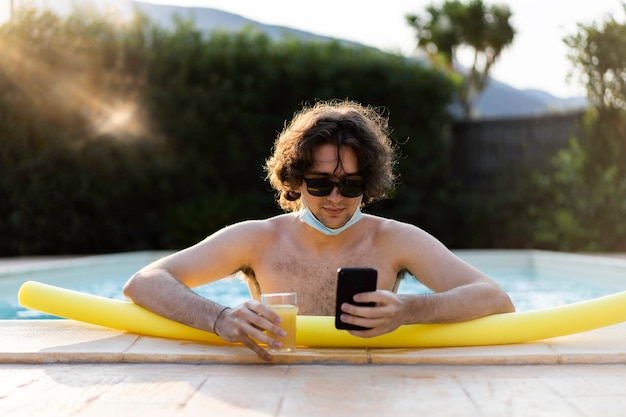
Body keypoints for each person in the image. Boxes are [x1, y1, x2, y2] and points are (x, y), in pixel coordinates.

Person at [123, 99, 515, 361]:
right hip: (277, 383)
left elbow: (495, 298)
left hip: (367, 385)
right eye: (320, 183)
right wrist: (220, 317)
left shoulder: (396, 240)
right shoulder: (257, 239)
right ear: (295, 180)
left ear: (369, 184)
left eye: (351, 185)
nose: (335, 197)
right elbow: (145, 281)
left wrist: (411, 309)